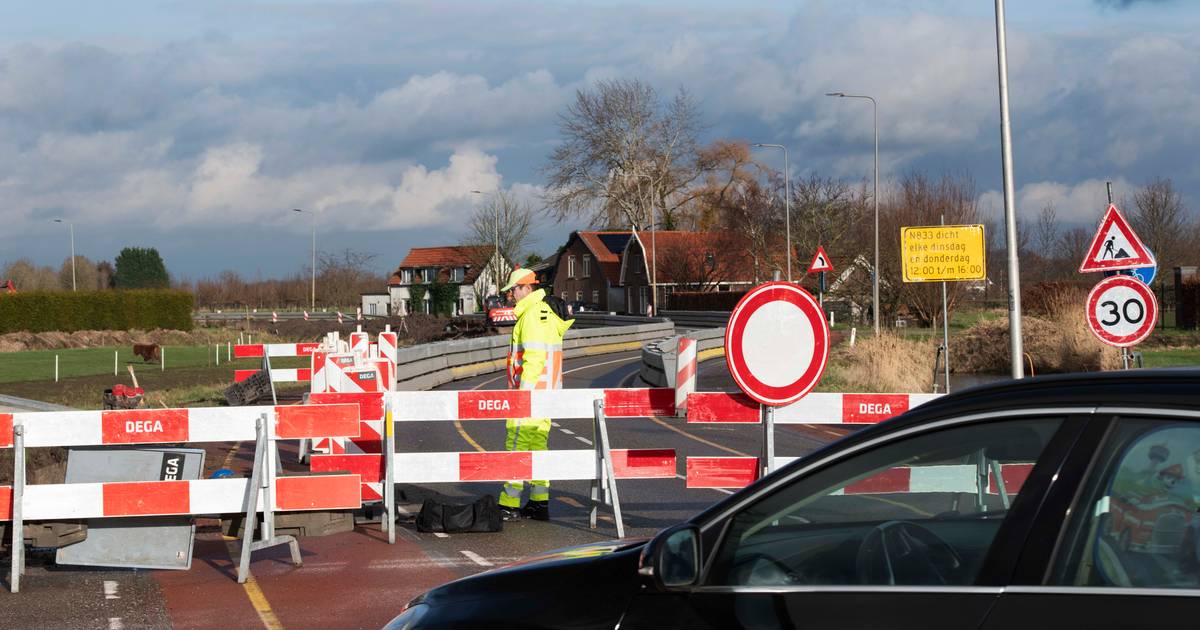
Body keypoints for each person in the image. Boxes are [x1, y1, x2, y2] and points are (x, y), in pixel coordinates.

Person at [497, 267, 574, 521]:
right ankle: (539, 502)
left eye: (514, 291)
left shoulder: (531, 315)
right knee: (538, 446)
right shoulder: (546, 314)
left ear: (526, 288)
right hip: (547, 394)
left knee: (516, 445)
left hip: (530, 396)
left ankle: (509, 503)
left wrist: (523, 396)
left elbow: (534, 358)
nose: (511, 297)